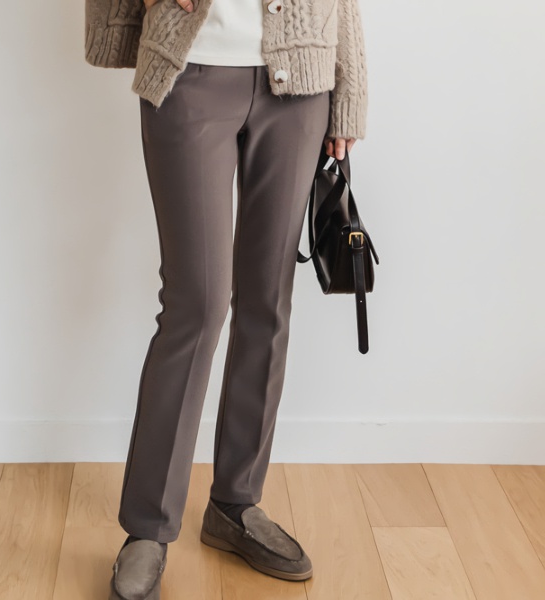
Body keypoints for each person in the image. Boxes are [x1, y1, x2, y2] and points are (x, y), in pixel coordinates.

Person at [85, 0, 368, 598]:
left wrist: (349, 94)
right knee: (198, 305)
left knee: (268, 300)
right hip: (190, 71)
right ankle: (148, 527)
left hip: (300, 81)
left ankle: (235, 503)